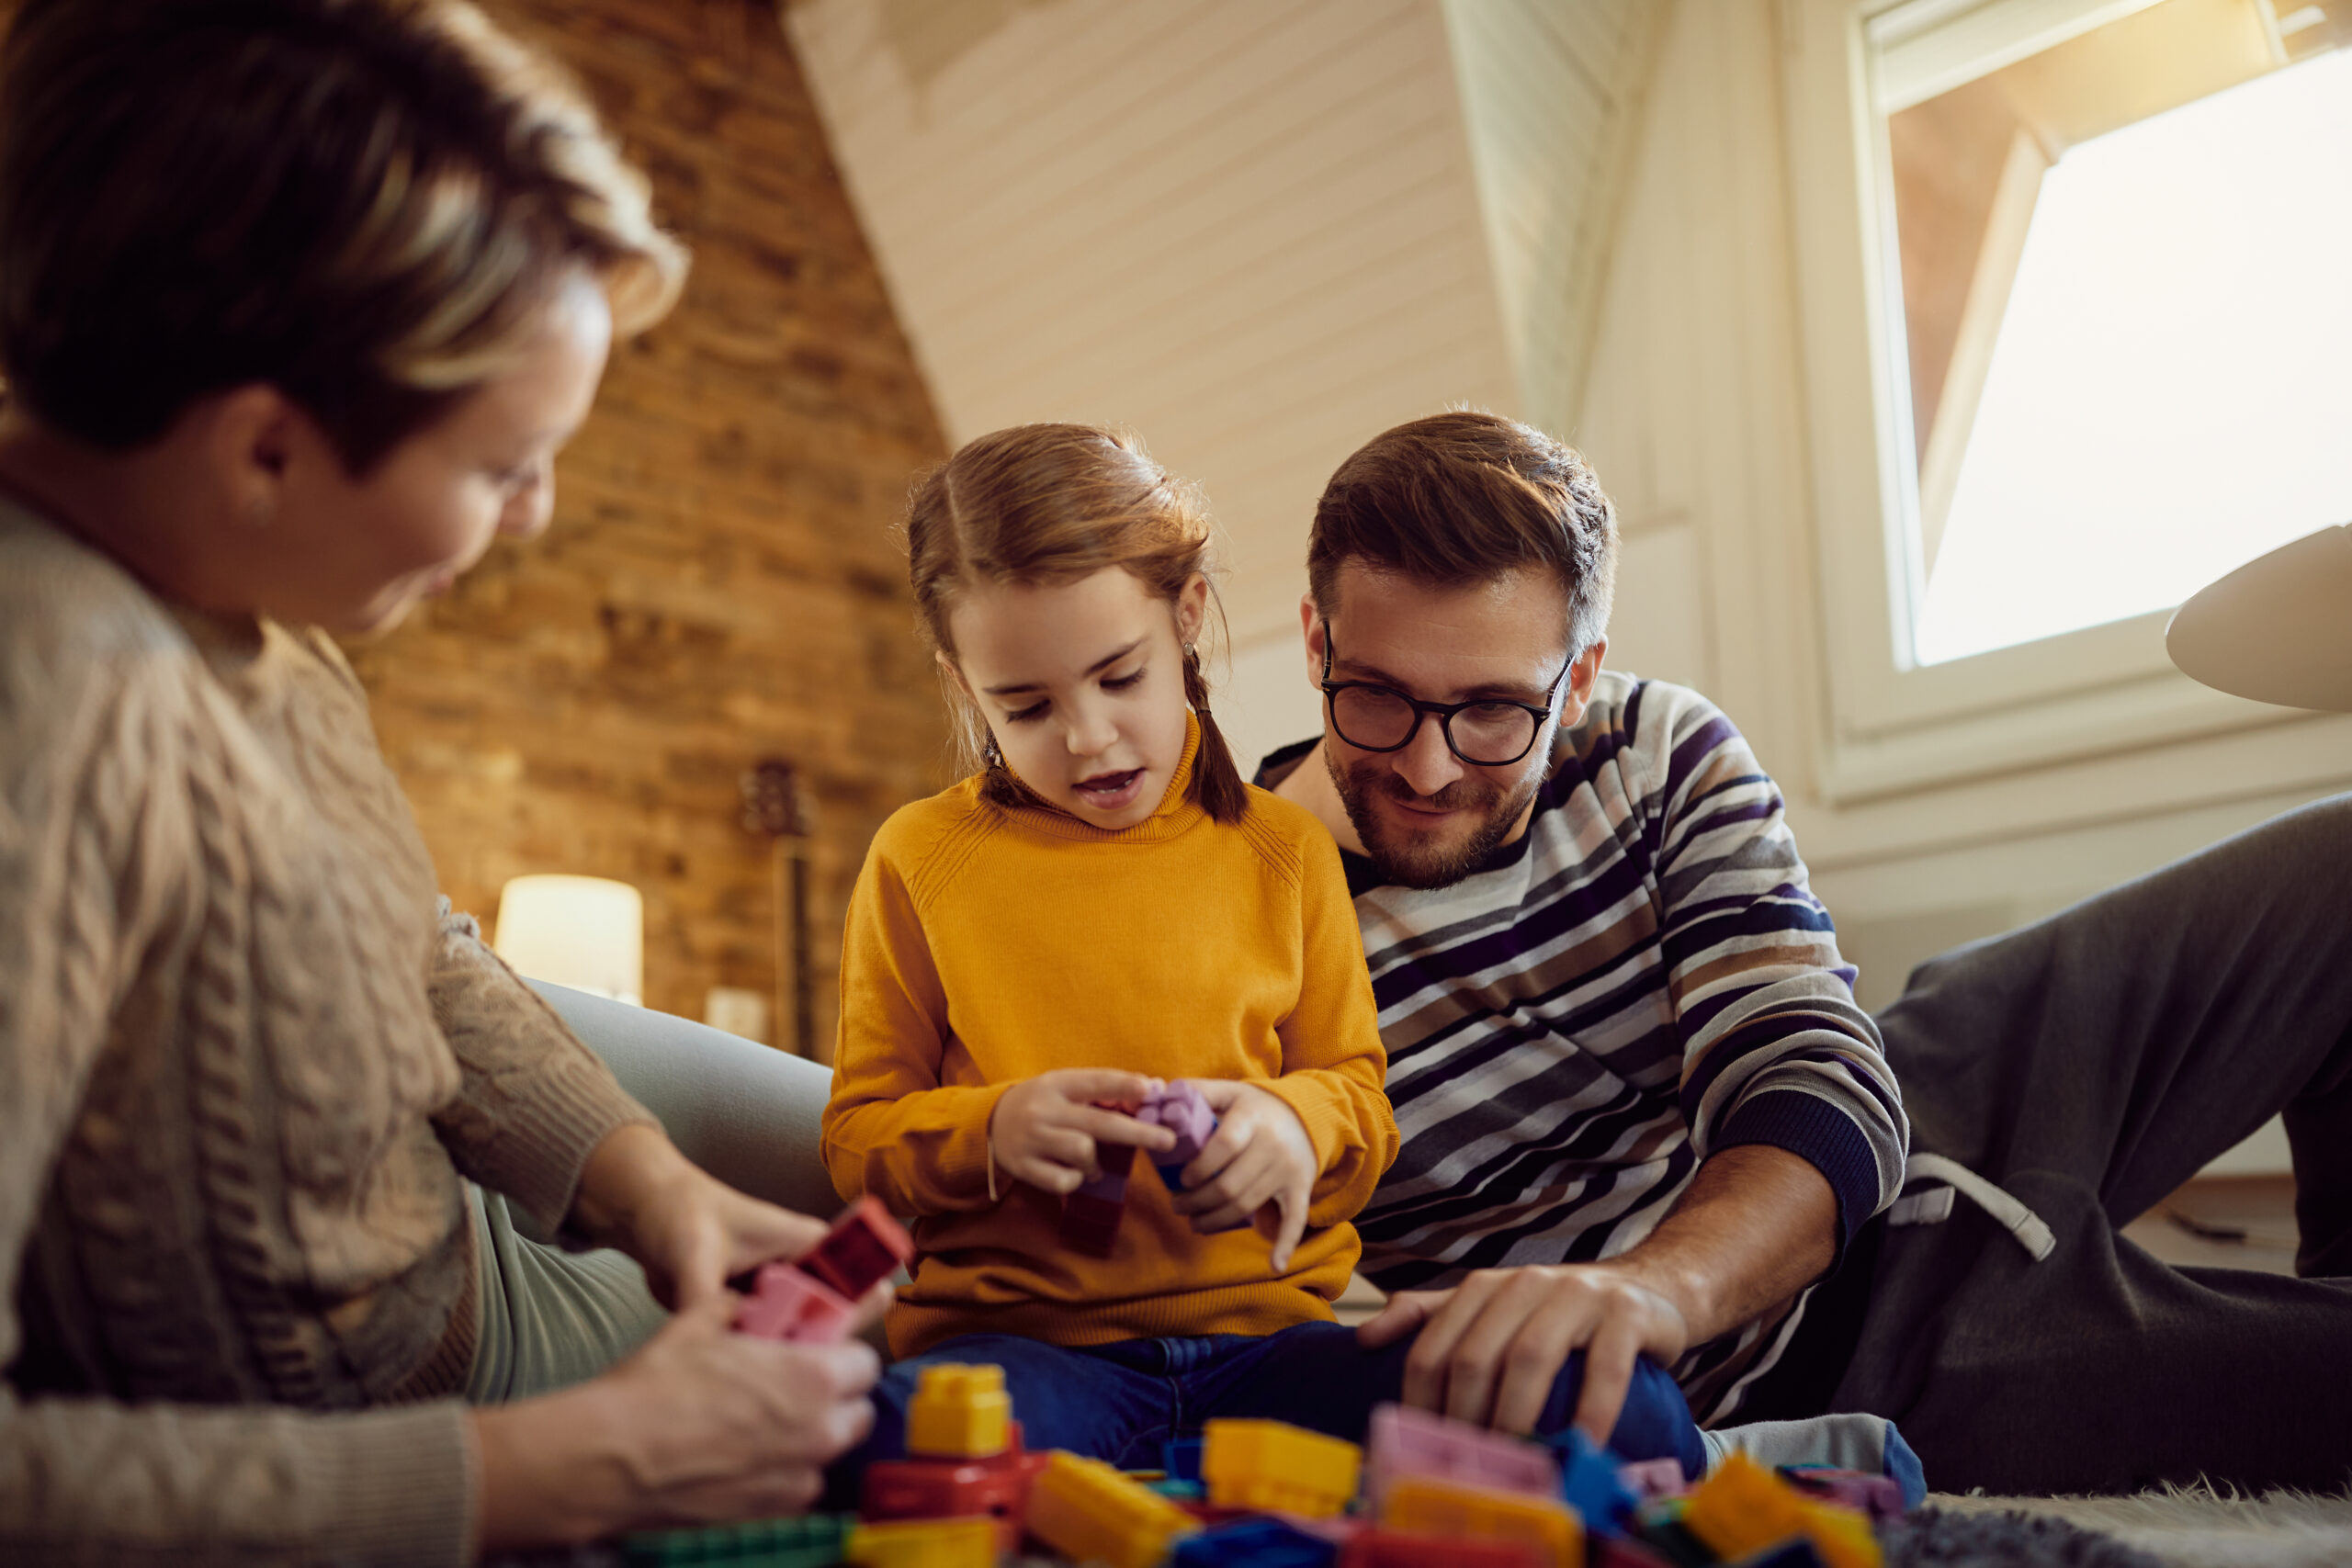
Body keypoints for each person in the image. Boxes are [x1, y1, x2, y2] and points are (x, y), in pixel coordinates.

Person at [0, 3, 879, 1562]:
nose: (536, 515)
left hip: (451, 1208)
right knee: (884, 1375)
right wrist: (564, 1473)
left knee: (889, 1147)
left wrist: (638, 1181)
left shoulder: (238, 585)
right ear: (263, 449)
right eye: (499, 466)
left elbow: (417, 940)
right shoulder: (54, 708)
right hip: (405, 1390)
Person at [1260, 409, 2352, 1495]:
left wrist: (1654, 1290)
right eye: (1377, 698)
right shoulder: (1230, 916)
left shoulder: (1654, 748)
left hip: (1935, 1085)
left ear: (1580, 675)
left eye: (1494, 711)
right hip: (1853, 1365)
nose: (1431, 768)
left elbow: (1811, 1078)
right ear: (1317, 641)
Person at [819, 423, 1708, 1480]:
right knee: (850, 1440)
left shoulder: (1285, 851)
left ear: (1186, 614)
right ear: (965, 685)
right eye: (1026, 705)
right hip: (1029, 1360)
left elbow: (1358, 1101)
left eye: (1118, 677)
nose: (1089, 736)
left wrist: (1290, 1127)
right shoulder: (921, 859)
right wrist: (993, 1129)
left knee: (1628, 1414)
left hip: (1275, 1360)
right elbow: (857, 1140)